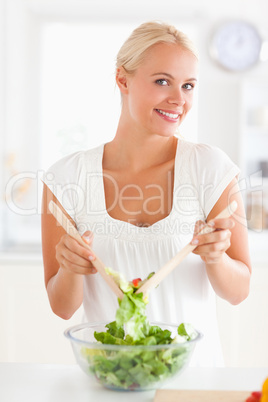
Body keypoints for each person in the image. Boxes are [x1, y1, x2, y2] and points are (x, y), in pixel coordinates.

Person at [41, 21, 251, 366]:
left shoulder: (210, 168)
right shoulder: (67, 178)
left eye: (188, 86)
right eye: (162, 81)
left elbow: (238, 292)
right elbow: (62, 308)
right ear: (123, 79)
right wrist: (69, 267)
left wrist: (217, 258)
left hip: (193, 382)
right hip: (111, 377)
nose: (178, 99)